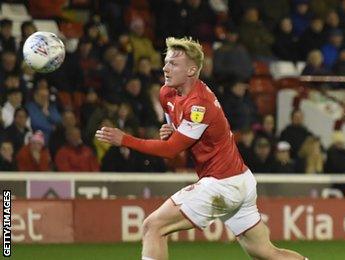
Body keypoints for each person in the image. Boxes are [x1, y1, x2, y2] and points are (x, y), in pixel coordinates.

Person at [96, 37, 305, 260]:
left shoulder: (199, 103)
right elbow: (176, 131)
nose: (166, 68)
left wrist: (125, 139)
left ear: (192, 70)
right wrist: (171, 132)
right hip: (240, 180)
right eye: (166, 62)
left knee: (153, 226)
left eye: (174, 64)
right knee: (265, 252)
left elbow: (170, 151)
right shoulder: (167, 93)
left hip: (221, 184)